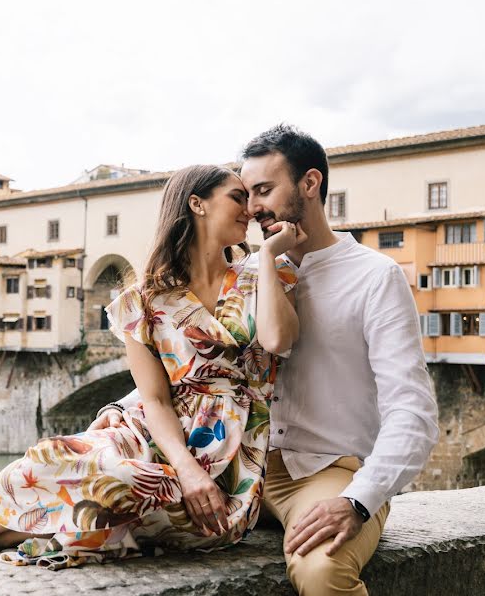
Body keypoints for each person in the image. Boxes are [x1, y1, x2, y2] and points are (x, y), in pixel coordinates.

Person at [0, 164, 304, 568]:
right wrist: (185, 468)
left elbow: (279, 340)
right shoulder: (141, 300)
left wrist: (268, 254)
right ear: (196, 204)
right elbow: (157, 399)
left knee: (123, 487)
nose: (250, 208)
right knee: (50, 455)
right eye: (237, 196)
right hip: (156, 433)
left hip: (231, 450)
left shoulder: (265, 272)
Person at [90, 125, 439, 594]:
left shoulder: (375, 278)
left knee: (321, 572)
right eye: (245, 193)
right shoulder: (247, 274)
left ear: (310, 185)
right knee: (92, 503)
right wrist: (116, 415)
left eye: (263, 191)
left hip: (321, 473)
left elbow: (413, 413)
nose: (252, 208)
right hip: (229, 464)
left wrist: (358, 501)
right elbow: (197, 371)